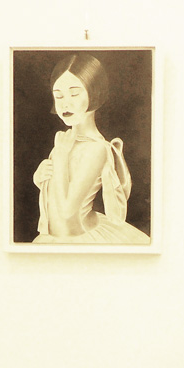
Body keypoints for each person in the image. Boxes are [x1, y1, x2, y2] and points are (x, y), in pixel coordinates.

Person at [32, 53, 149, 245]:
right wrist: (40, 178)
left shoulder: (96, 148)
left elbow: (67, 211)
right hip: (52, 239)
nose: (65, 103)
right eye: (58, 96)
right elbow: (56, 192)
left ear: (94, 93)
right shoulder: (64, 141)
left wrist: (60, 158)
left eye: (74, 94)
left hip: (80, 239)